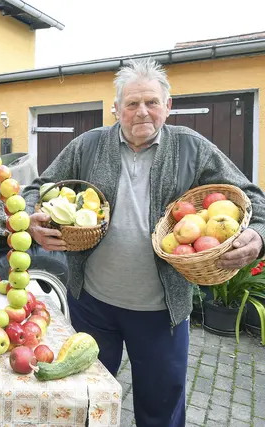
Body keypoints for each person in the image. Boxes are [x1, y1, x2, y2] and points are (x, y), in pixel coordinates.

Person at [23, 58, 265, 427]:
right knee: (86, 400)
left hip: (161, 311)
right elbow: (35, 189)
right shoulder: (87, 145)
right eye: (132, 103)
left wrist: (259, 234)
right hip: (91, 303)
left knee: (161, 408)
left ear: (168, 106)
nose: (142, 112)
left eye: (152, 102)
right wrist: (30, 218)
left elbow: (251, 196)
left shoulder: (192, 147)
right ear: (116, 108)